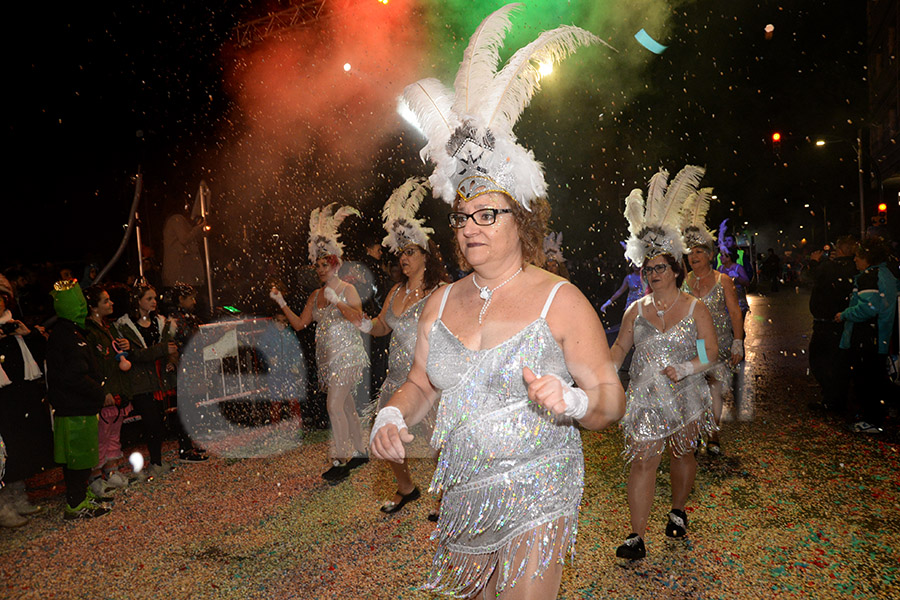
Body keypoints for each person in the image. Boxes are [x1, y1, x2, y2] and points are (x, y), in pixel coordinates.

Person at [374, 7, 624, 596]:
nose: (470, 227)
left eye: (488, 214)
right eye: (462, 217)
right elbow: (420, 385)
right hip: (462, 494)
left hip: (540, 487)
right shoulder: (439, 303)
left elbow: (612, 400)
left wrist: (572, 399)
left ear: (522, 218)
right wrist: (391, 414)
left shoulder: (559, 301)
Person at [612, 166, 719, 559]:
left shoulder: (695, 308)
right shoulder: (635, 310)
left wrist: (689, 368)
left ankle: (677, 511)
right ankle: (636, 536)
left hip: (686, 393)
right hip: (644, 397)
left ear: (675, 269)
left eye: (660, 267)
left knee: (682, 453)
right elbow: (620, 350)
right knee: (642, 462)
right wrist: (601, 373)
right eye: (648, 268)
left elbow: (711, 353)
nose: (653, 274)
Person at [350, 177, 449, 515]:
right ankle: (406, 487)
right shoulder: (395, 292)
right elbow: (380, 327)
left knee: (439, 440)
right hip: (396, 380)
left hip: (428, 379)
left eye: (410, 252)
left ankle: (444, 494)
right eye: (401, 253)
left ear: (425, 254)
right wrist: (359, 321)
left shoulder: (440, 292)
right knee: (389, 436)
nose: (404, 259)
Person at [270, 203, 370, 484]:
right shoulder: (315, 295)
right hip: (327, 360)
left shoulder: (346, 289)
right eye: (316, 265)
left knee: (334, 406)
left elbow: (358, 319)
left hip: (348, 356)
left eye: (322, 265)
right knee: (346, 406)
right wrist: (281, 302)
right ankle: (361, 451)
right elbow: (300, 324)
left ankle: (340, 459)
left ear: (335, 265)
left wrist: (338, 302)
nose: (318, 270)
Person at [681, 195, 745, 455]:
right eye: (690, 252)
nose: (694, 256)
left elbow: (734, 311)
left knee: (714, 388)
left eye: (699, 252)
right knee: (694, 390)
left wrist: (738, 342)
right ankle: (696, 432)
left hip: (718, 343)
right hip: (691, 344)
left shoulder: (723, 281)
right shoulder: (685, 281)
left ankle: (714, 432)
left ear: (709, 256)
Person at [45, 280, 112, 519]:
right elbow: (74, 376)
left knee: (79, 457)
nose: (84, 306)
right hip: (74, 407)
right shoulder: (69, 335)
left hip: (74, 405)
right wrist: (99, 392)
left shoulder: (68, 332)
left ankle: (79, 496)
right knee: (78, 459)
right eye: (80, 302)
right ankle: (75, 503)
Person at [836, 236, 898, 434]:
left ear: (867, 258)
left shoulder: (869, 277)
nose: (854, 260)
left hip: (868, 337)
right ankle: (882, 413)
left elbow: (868, 308)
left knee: (866, 378)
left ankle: (871, 420)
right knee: (878, 376)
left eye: (858, 257)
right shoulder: (887, 274)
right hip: (882, 336)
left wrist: (843, 314)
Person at [116, 283, 179, 478]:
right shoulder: (124, 326)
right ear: (138, 301)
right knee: (152, 422)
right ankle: (151, 463)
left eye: (154, 298)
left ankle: (156, 461)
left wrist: (171, 361)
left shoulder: (160, 322)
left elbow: (171, 348)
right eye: (148, 298)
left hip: (159, 379)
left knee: (159, 422)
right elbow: (133, 356)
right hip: (139, 382)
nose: (153, 302)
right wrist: (160, 351)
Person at [0, 287, 49, 526]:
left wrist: (28, 334)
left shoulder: (14, 325)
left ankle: (18, 496)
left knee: (20, 448)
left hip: (21, 397)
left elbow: (41, 354)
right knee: (4, 451)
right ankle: (3, 506)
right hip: (3, 402)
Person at [83, 285, 134, 495]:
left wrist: (126, 346)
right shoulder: (89, 332)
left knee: (114, 433)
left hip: (118, 387)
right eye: (105, 301)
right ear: (93, 307)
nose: (111, 304)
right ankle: (95, 476)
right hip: (105, 391)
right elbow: (94, 365)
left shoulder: (109, 328)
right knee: (101, 436)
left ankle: (111, 471)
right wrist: (102, 391)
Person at [808, 236, 857, 412]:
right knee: (839, 361)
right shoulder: (854, 267)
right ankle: (839, 398)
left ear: (841, 250)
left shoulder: (831, 267)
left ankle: (832, 399)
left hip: (827, 322)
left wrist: (814, 262)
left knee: (820, 361)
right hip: (844, 320)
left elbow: (811, 277)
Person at [162, 207, 206, 288]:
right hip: (180, 270)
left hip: (182, 270)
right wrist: (198, 228)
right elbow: (185, 239)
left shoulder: (177, 220)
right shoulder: (176, 219)